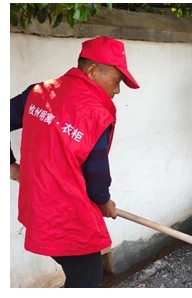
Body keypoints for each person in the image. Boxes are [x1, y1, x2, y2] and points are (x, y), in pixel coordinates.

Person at [10, 36, 140, 287]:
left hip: (37, 209)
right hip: (67, 219)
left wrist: (11, 166)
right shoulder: (95, 113)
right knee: (87, 280)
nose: (117, 90)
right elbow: (97, 177)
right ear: (92, 71)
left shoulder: (39, 92)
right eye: (116, 81)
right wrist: (104, 201)